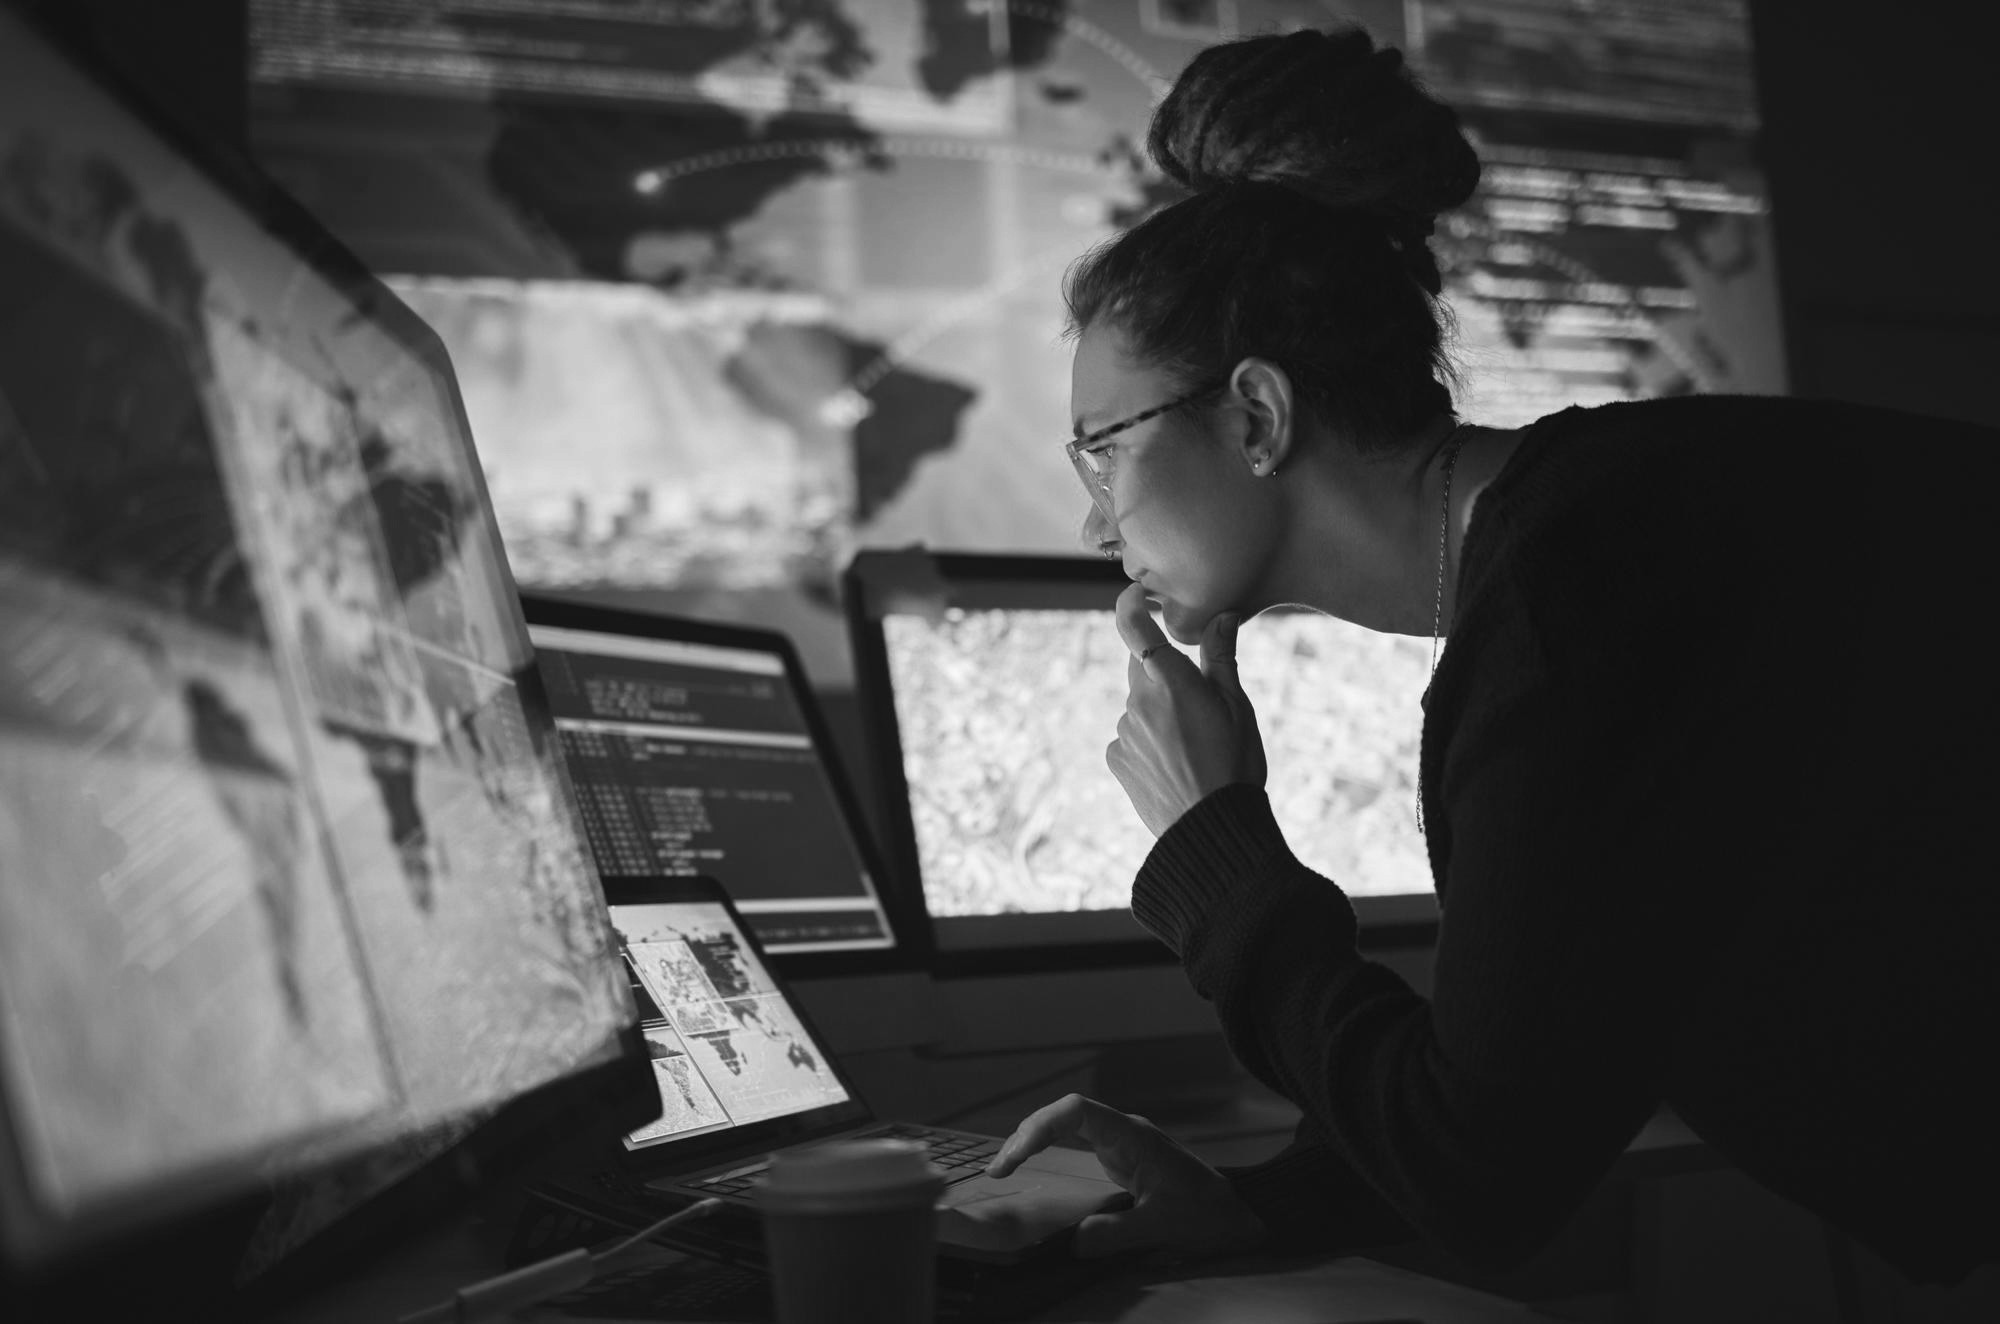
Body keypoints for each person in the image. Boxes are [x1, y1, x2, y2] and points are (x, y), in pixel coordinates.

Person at [981, 26, 2000, 1289]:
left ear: (1255, 414)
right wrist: (1260, 1205)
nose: (1093, 523)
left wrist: (1211, 845)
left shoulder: (1574, 614)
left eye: (1103, 450)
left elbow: (1483, 1172)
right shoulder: (1615, 516)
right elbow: (1548, 1055)